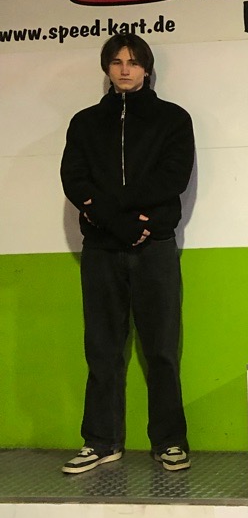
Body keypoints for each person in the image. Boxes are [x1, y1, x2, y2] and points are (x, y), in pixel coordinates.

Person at [60, 33, 195, 474]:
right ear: (106, 68)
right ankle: (100, 442)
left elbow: (172, 178)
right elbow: (75, 179)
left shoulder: (173, 119)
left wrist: (134, 220)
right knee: (102, 349)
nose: (124, 69)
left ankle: (170, 442)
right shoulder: (84, 122)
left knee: (161, 350)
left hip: (154, 247)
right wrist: (118, 223)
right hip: (101, 249)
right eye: (117, 62)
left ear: (146, 68)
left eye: (133, 62)